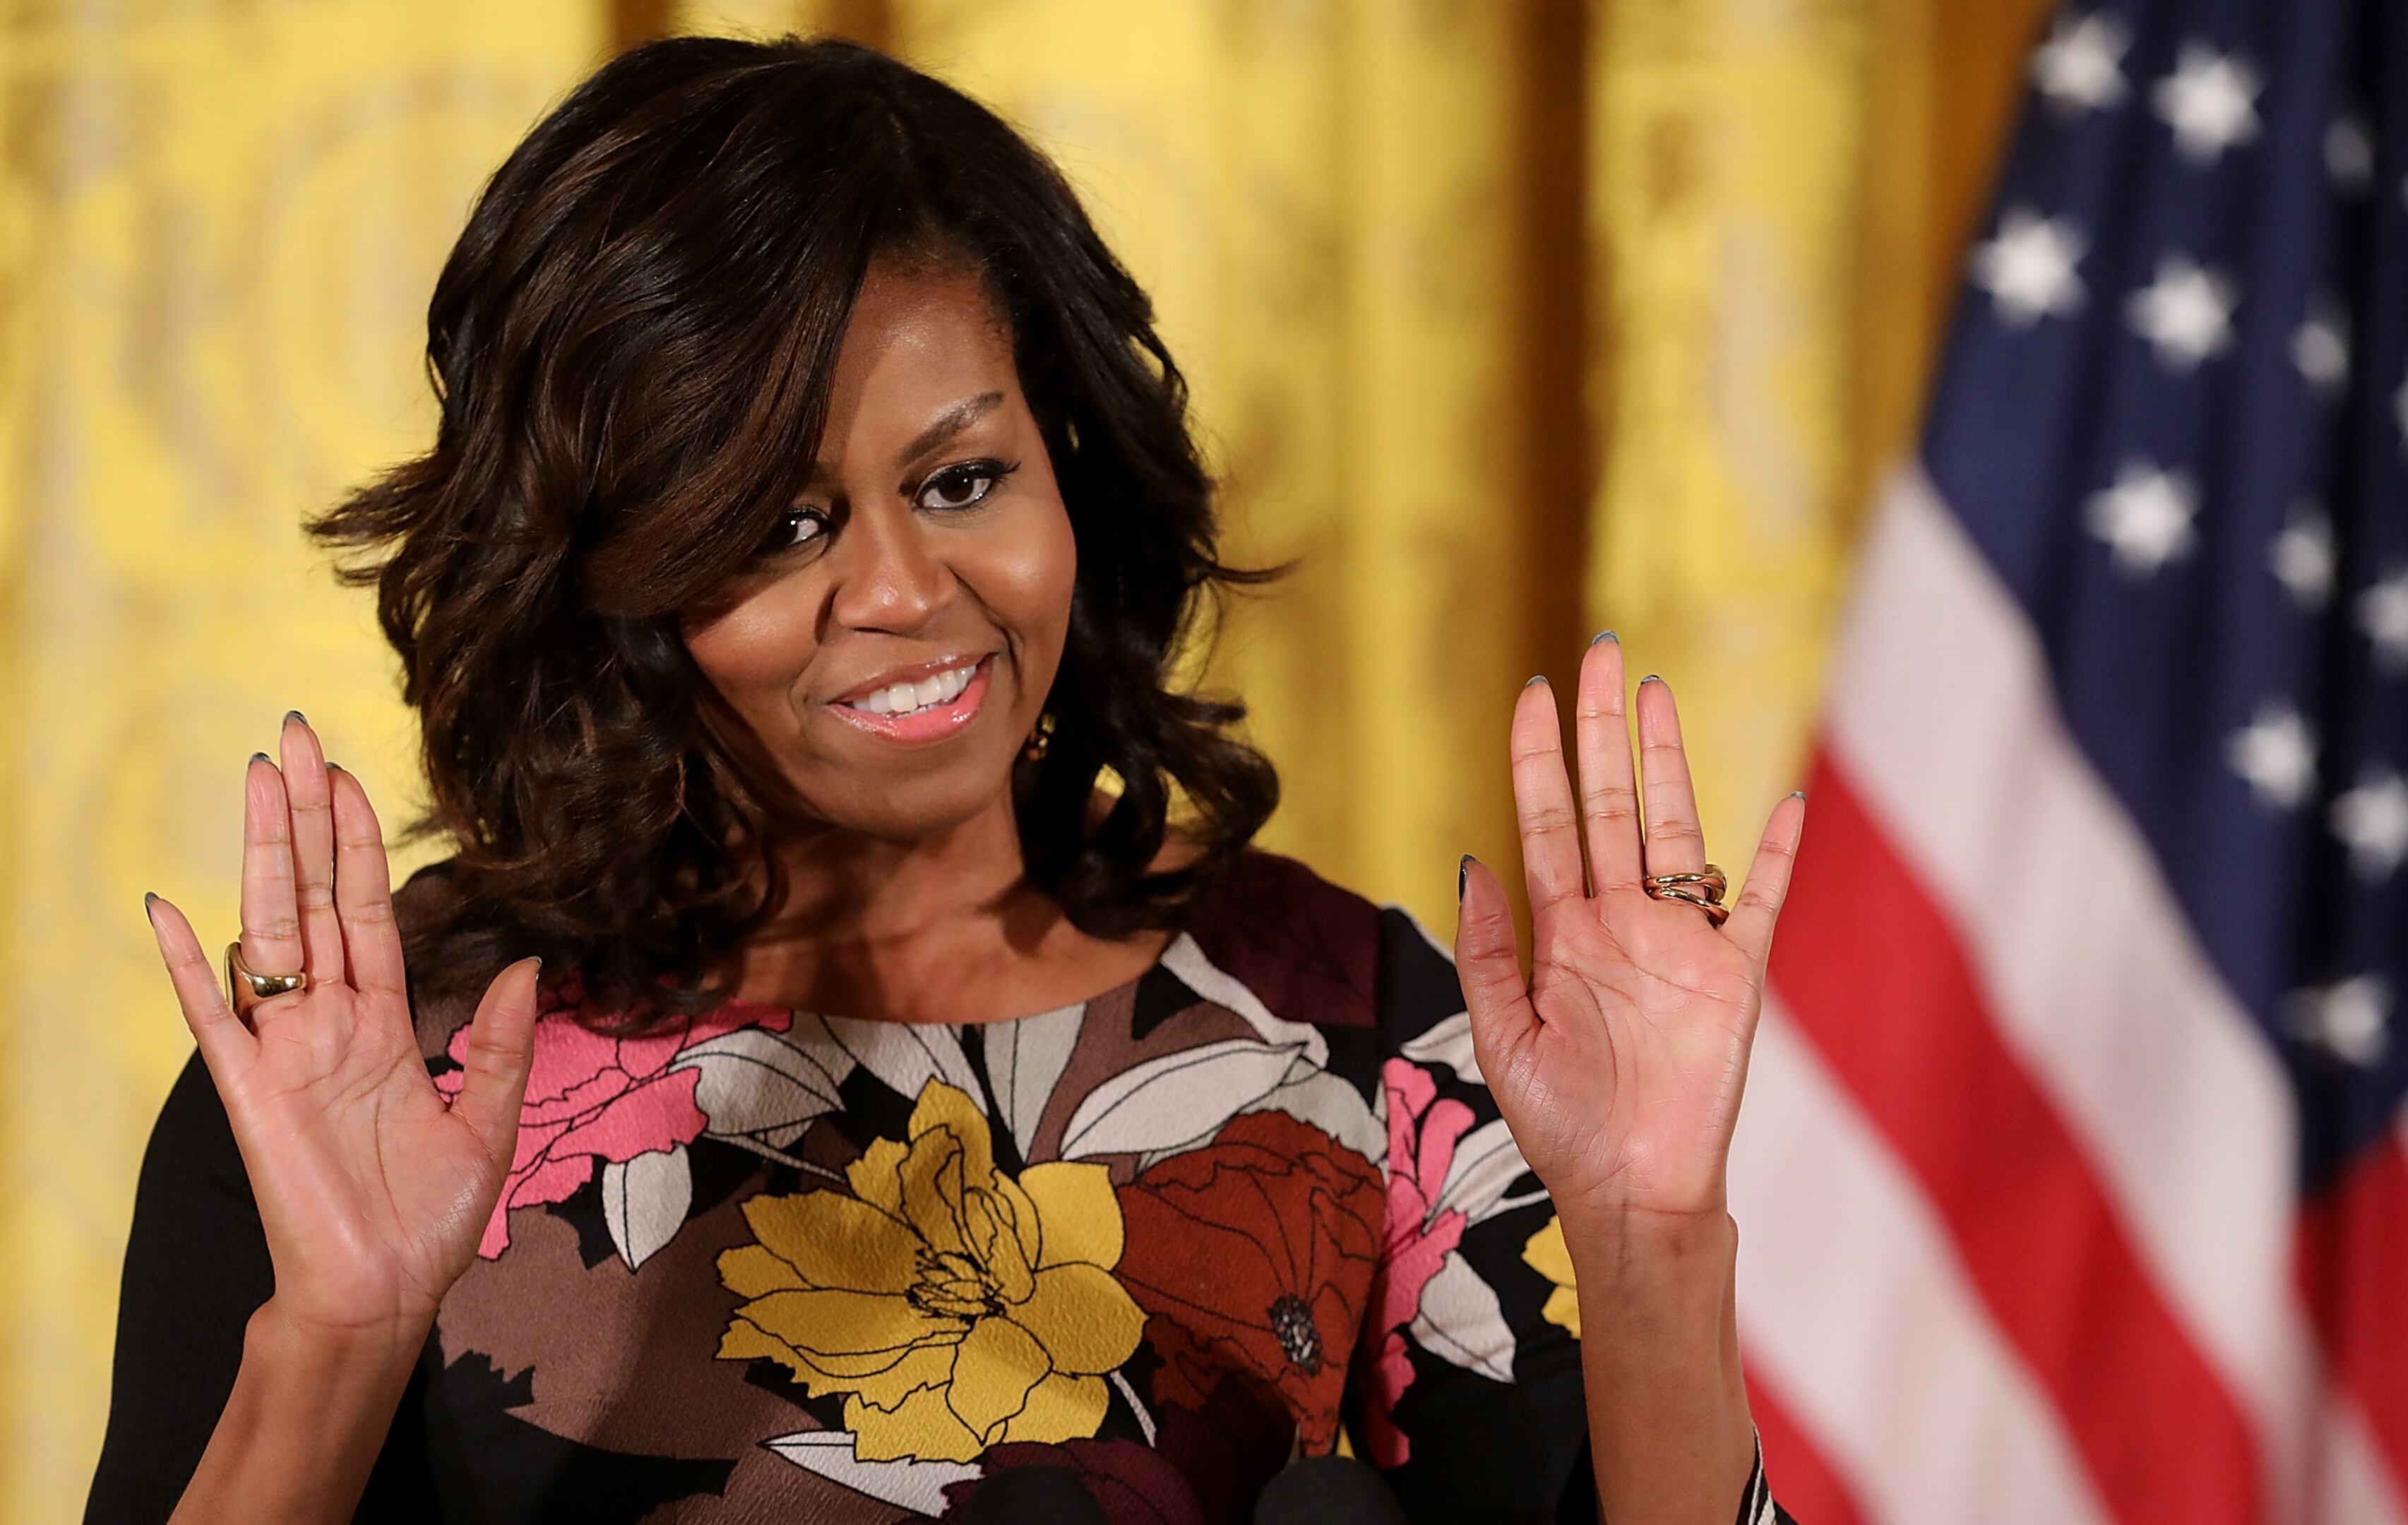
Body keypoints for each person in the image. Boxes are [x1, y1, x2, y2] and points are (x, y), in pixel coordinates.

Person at [87, 35, 1806, 1525]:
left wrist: (1657, 1243)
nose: (907, 593)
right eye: (778, 524)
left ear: (1074, 473)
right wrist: (339, 1335)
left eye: (965, 478)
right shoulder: (387, 1062)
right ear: (614, 567)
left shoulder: (1359, 1036)